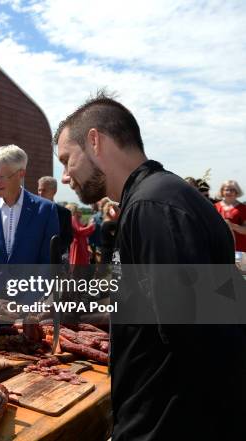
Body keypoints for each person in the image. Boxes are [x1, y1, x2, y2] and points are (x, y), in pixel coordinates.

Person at [55, 92, 246, 440]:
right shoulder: (153, 199)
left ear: (94, 141)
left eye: (67, 159)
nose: (66, 177)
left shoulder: (154, 206)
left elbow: (197, 338)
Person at [0, 144, 59, 328]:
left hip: (31, 314)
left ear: (21, 174)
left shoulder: (46, 210)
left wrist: (30, 303)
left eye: (2, 176)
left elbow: (49, 262)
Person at [37, 176, 72, 261]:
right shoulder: (31, 211)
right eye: (39, 190)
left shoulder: (64, 213)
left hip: (55, 261)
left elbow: (68, 238)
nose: (40, 193)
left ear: (54, 191)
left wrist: (54, 250)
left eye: (44, 190)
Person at [214, 180, 246, 252]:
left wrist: (232, 226)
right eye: (227, 190)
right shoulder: (215, 207)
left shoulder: (243, 208)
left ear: (237, 192)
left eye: (232, 190)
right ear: (222, 191)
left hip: (239, 249)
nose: (229, 192)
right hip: (220, 247)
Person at [98, 200, 120, 264]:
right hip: (111, 254)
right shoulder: (111, 224)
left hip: (106, 253)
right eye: (118, 210)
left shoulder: (106, 222)